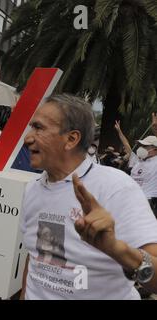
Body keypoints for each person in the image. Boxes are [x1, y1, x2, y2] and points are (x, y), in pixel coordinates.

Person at [20, 94, 157, 300]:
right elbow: (35, 259)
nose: (27, 138)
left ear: (71, 139)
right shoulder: (33, 188)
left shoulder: (116, 188)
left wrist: (117, 250)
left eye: (39, 128)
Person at [115, 120, 157, 216]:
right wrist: (119, 131)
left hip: (148, 204)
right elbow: (127, 145)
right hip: (130, 201)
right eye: (141, 145)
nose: (141, 148)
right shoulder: (138, 161)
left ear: (155, 149)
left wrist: (155, 129)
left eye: (145, 146)